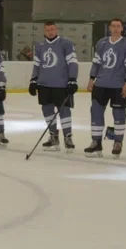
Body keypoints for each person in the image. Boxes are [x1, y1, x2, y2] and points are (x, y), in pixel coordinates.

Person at [84, 17, 126, 158]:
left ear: (122, 28)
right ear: (109, 28)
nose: (115, 28)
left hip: (118, 85)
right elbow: (96, 63)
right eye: (113, 26)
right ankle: (96, 142)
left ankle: (118, 142)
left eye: (118, 26)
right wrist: (91, 78)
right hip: (100, 84)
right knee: (96, 111)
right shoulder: (102, 43)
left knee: (119, 114)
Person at [29, 21, 79, 153]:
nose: (50, 32)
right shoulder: (40, 46)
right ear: (44, 31)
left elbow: (73, 63)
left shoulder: (66, 44)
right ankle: (53, 136)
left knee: (64, 111)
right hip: (44, 84)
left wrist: (72, 79)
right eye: (47, 30)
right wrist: (33, 80)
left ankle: (68, 137)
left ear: (56, 30)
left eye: (52, 29)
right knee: (47, 110)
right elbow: (37, 65)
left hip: (61, 84)